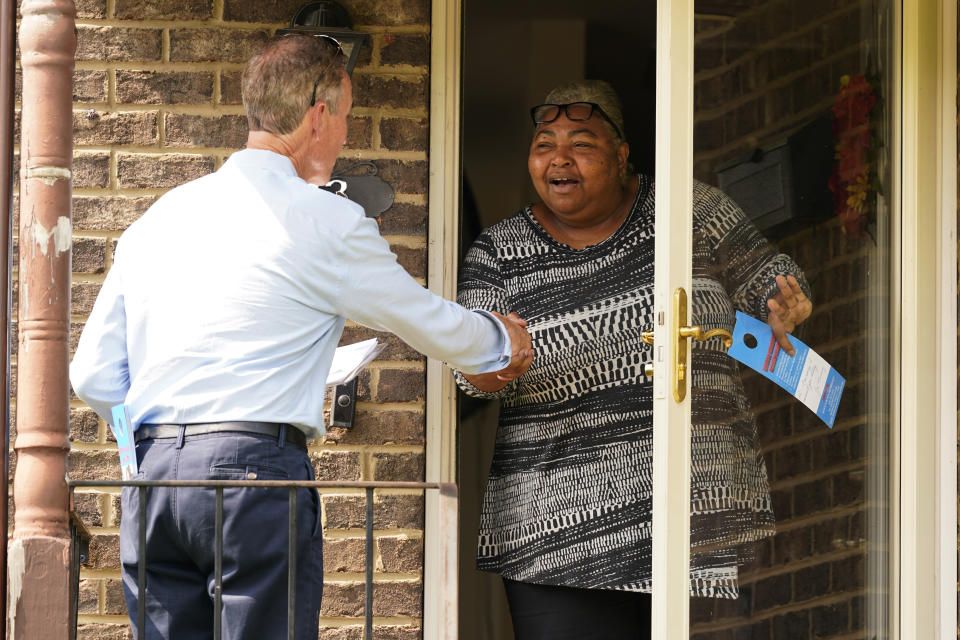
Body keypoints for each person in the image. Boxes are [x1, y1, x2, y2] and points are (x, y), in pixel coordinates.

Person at [69, 34, 533, 640]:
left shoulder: (160, 216)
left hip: (153, 479)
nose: (345, 133)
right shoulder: (326, 220)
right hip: (253, 475)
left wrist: (151, 456)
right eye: (346, 117)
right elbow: (421, 317)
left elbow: (92, 376)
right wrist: (501, 340)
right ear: (319, 116)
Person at [455, 79, 812, 639]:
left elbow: (768, 274)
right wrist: (497, 364)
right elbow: (470, 371)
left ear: (622, 156)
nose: (559, 159)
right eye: (544, 144)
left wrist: (785, 302)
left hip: (697, 513)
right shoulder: (500, 252)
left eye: (582, 144)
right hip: (556, 529)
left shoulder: (689, 210)